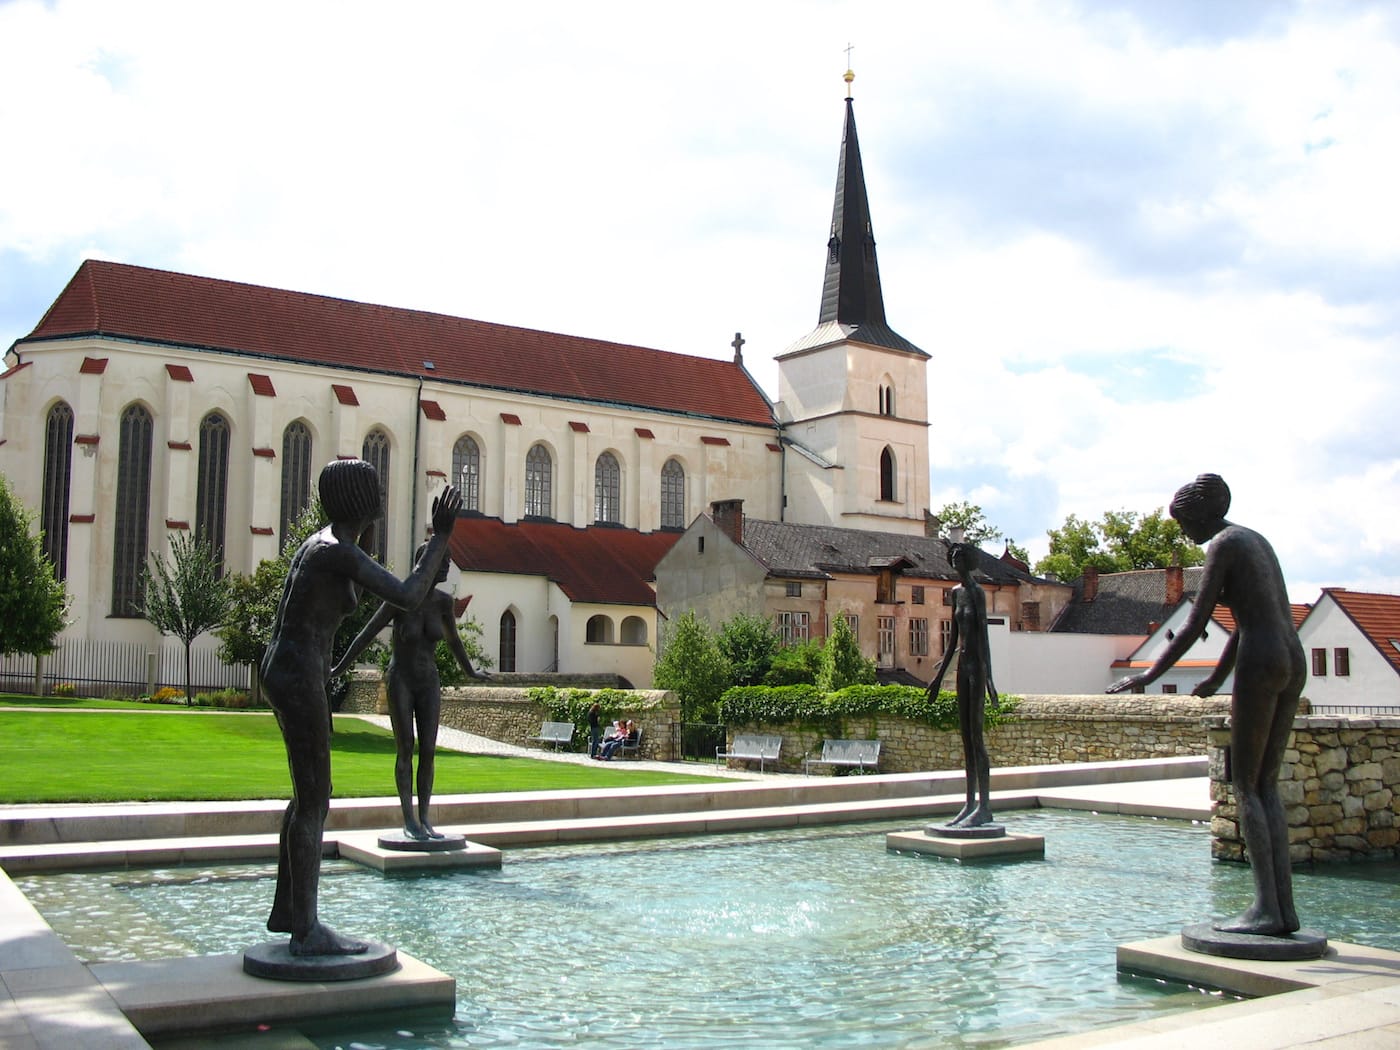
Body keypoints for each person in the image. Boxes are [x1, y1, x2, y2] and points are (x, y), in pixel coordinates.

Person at [260, 460, 461, 956]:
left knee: (307, 792)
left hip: (290, 669)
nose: (383, 498)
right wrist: (440, 537)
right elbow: (410, 594)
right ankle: (306, 931)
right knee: (315, 800)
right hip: (298, 671)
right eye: (377, 491)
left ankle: (289, 910)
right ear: (363, 500)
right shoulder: (338, 552)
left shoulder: (327, 543)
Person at [1108, 474, 1304, 937]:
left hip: (1262, 658)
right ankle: (1283, 910)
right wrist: (1216, 678)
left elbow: (1197, 622)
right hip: (1292, 656)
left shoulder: (1221, 543)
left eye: (1183, 525)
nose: (1184, 535)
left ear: (1200, 515)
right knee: (1267, 786)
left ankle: (1266, 911)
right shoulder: (1255, 540)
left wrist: (1149, 675)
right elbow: (1246, 619)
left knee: (1245, 786)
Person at [331, 541, 489, 841]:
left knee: (428, 752)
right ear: (425, 564)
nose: (446, 566)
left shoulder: (443, 602)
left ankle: (425, 818)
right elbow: (367, 634)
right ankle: (409, 820)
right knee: (406, 749)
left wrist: (471, 672)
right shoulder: (399, 598)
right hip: (401, 678)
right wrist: (340, 666)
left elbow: (454, 642)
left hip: (429, 679)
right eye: (442, 561)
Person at [926, 540, 999, 828]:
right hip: (961, 669)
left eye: (959, 557)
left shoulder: (977, 593)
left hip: (977, 669)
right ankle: (969, 803)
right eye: (952, 557)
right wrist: (936, 679)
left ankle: (985, 807)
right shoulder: (955, 594)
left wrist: (991, 681)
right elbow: (952, 641)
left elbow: (984, 638)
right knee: (966, 739)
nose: (955, 561)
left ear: (967, 562)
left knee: (977, 739)